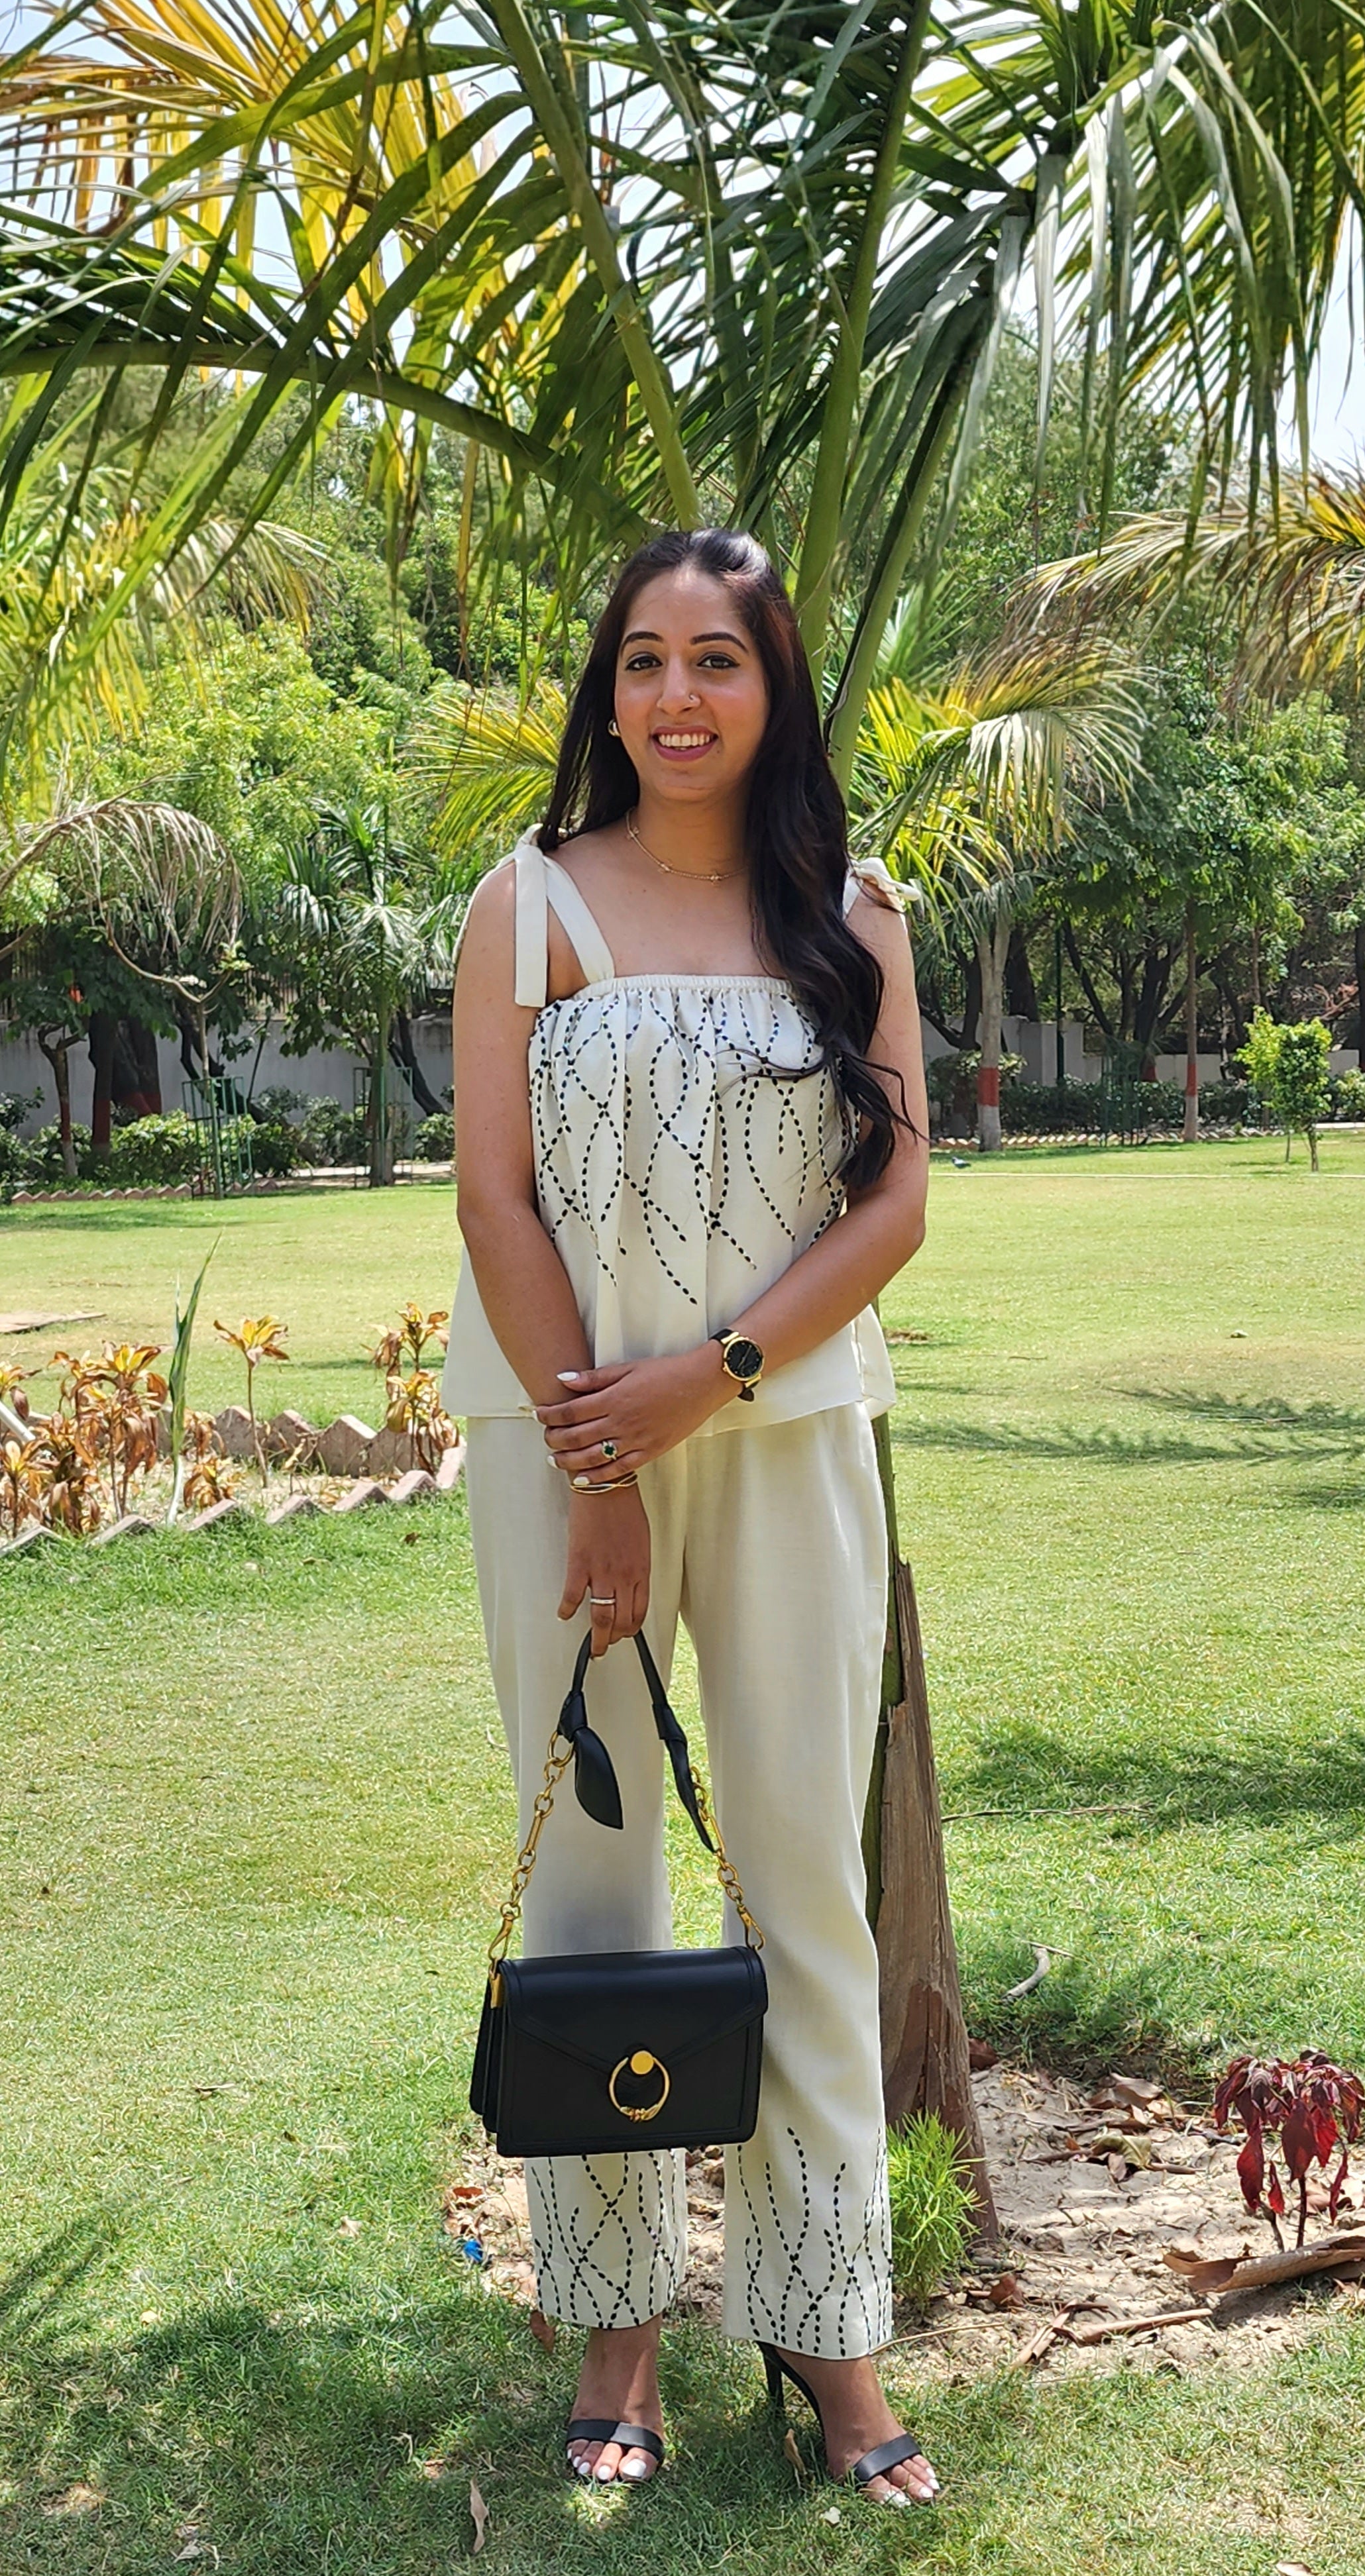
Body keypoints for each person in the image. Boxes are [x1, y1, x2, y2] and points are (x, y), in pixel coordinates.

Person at [443, 527, 936, 2506]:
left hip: (791, 1434)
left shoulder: (855, 907)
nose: (674, 696)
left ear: (772, 685)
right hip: (563, 1451)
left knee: (805, 1878)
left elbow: (894, 1206)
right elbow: (495, 1200)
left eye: (715, 659)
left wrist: (710, 1380)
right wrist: (606, 1462)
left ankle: (837, 2348)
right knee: (594, 1885)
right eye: (641, 659)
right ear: (607, 689)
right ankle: (619, 2333)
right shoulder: (531, 904)